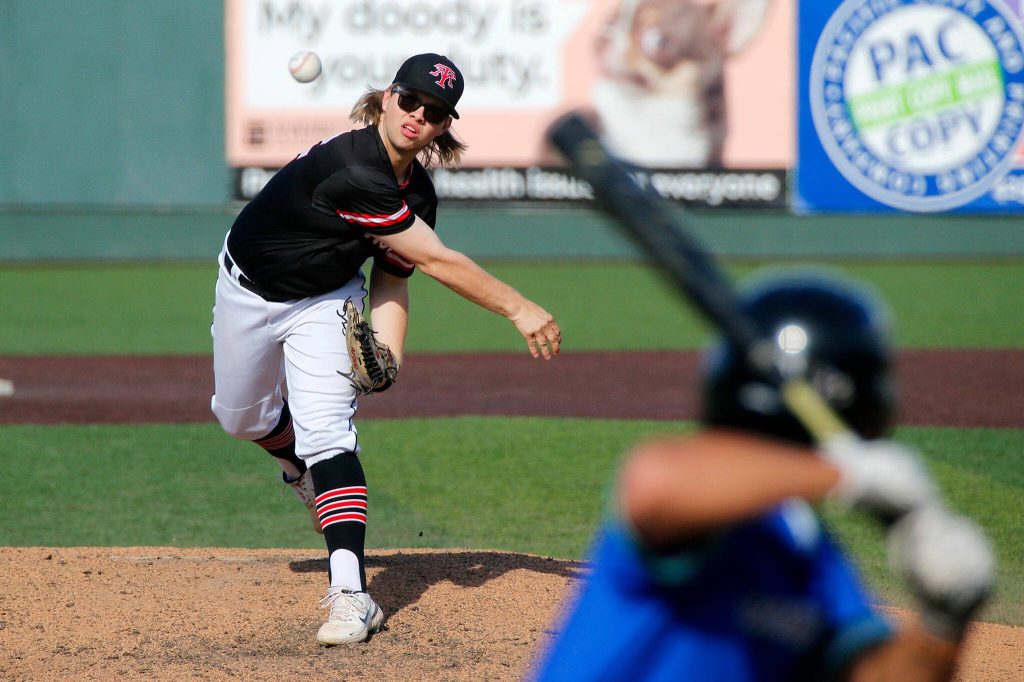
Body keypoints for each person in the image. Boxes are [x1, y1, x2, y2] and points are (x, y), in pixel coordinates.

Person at [210, 53, 562, 646]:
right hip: (247, 288)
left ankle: (350, 593)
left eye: (435, 112)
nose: (418, 116)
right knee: (240, 418)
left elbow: (395, 273)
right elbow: (438, 260)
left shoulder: (416, 193)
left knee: (330, 434)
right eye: (411, 100)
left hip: (325, 299)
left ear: (445, 125)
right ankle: (293, 460)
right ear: (387, 97)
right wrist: (518, 307)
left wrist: (388, 354)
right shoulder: (354, 169)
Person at [531, 271, 994, 681]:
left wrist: (940, 626)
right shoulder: (702, 518)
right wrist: (842, 472)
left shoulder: (812, 560)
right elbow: (654, 484)